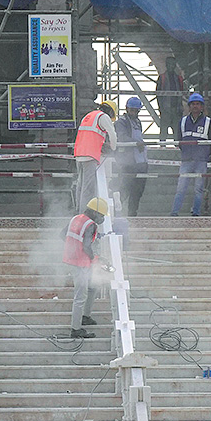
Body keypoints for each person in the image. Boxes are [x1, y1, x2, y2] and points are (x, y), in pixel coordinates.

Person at [63, 198, 107, 339]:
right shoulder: (90, 224)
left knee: (93, 287)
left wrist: (73, 249)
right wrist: (94, 258)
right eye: (101, 215)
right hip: (80, 264)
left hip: (74, 260)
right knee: (80, 296)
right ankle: (76, 329)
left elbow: (62, 235)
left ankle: (85, 316)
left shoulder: (76, 218)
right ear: (94, 212)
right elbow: (86, 246)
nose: (102, 218)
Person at [171, 93, 211, 217]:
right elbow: (179, 139)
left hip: (201, 161)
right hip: (186, 160)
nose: (195, 106)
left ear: (202, 107)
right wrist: (186, 151)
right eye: (193, 104)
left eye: (198, 104)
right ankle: (174, 213)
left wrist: (204, 154)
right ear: (189, 106)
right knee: (181, 188)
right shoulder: (183, 121)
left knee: (198, 189)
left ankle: (196, 213)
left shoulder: (208, 122)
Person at [73, 101, 117, 210]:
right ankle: (84, 214)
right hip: (90, 155)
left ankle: (78, 210)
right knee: (88, 187)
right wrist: (113, 148)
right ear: (110, 111)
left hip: (79, 153)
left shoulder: (89, 116)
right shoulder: (103, 117)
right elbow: (112, 134)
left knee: (80, 185)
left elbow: (91, 135)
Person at [114, 97, 149, 216]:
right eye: (132, 110)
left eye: (136, 110)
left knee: (137, 191)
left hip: (140, 162)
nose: (134, 113)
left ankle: (132, 215)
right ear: (127, 108)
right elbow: (122, 137)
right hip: (128, 163)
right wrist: (135, 143)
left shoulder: (138, 122)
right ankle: (114, 214)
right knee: (124, 189)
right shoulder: (121, 122)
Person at [155, 55, 186, 141]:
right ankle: (162, 149)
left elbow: (182, 93)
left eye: (173, 64)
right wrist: (161, 108)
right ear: (166, 65)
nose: (171, 66)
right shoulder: (162, 78)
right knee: (163, 133)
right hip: (166, 109)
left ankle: (177, 150)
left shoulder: (179, 78)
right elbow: (158, 94)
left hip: (176, 110)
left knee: (177, 133)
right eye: (169, 64)